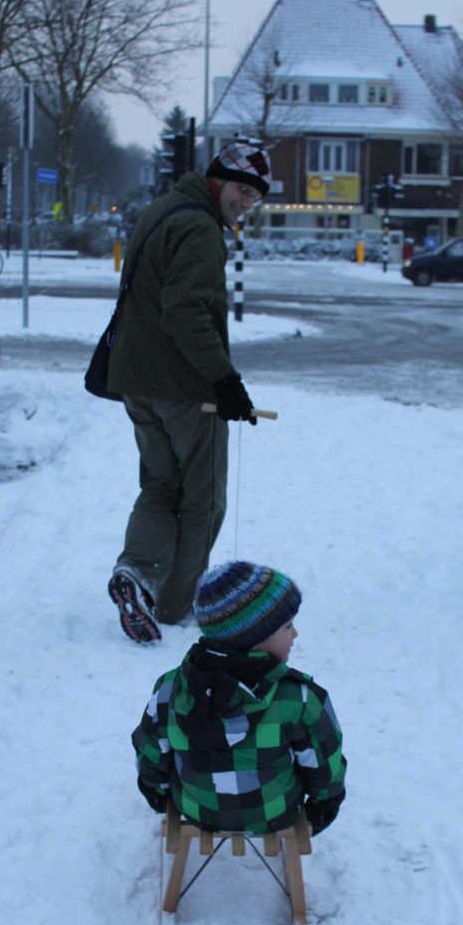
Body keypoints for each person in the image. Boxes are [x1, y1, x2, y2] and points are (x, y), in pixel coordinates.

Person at [106, 142, 273, 644]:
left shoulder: (162, 210)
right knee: (202, 498)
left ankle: (137, 572)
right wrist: (224, 380)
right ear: (218, 180)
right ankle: (176, 608)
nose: (247, 204)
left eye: (256, 198)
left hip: (137, 381)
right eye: (243, 192)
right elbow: (185, 312)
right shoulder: (200, 229)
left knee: (160, 485)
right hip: (183, 389)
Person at [131, 561, 347, 836]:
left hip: (197, 811)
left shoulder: (170, 690)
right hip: (275, 814)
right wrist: (322, 808)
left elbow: (150, 750)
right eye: (287, 627)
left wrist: (158, 794)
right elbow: (324, 763)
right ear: (252, 640)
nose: (295, 634)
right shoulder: (298, 699)